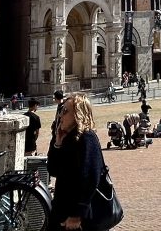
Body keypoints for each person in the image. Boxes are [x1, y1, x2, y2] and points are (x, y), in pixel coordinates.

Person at [48, 92, 106, 230]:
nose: (60, 115)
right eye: (61, 111)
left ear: (78, 114)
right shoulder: (65, 138)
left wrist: (77, 214)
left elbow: (91, 177)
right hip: (61, 209)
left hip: (78, 217)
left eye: (66, 111)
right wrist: (57, 144)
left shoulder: (87, 138)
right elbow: (53, 169)